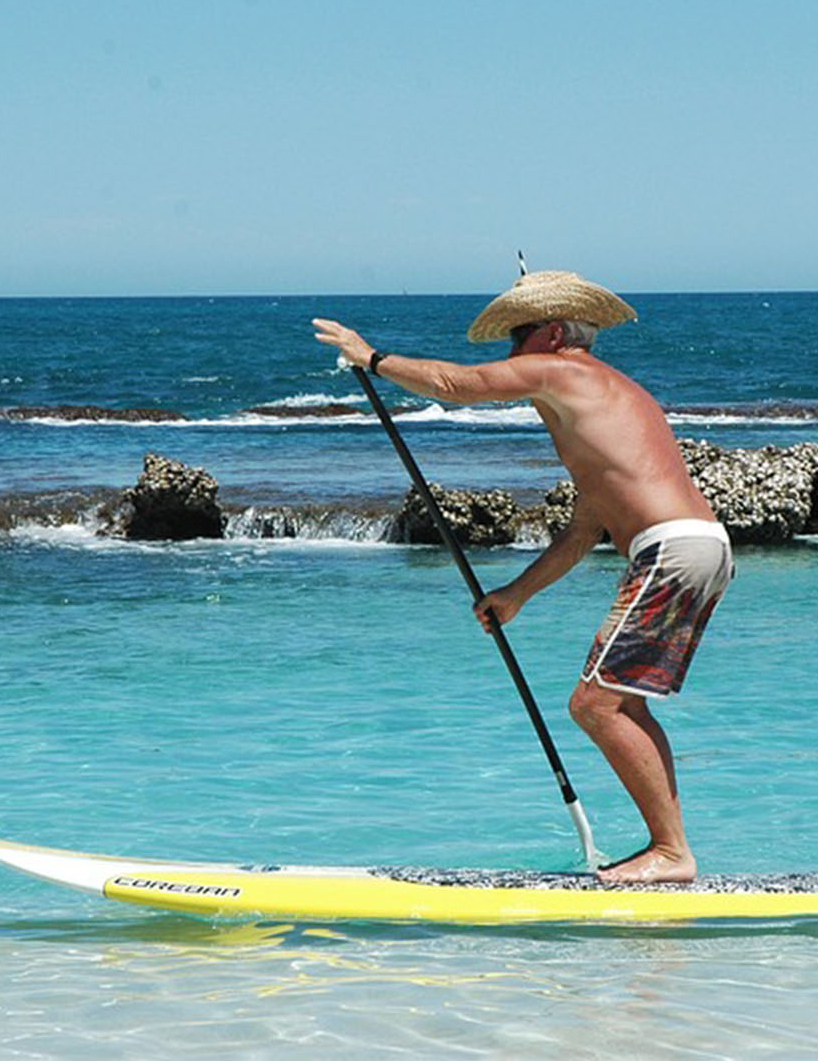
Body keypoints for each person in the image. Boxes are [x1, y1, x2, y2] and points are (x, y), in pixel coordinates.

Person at [313, 270, 732, 883]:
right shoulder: (605, 402)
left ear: (556, 334)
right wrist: (515, 596)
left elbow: (460, 383)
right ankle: (669, 848)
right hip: (695, 548)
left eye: (520, 337)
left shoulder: (566, 371)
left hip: (671, 551)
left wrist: (371, 358)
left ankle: (671, 852)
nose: (511, 354)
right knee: (617, 705)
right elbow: (585, 530)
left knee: (596, 705)